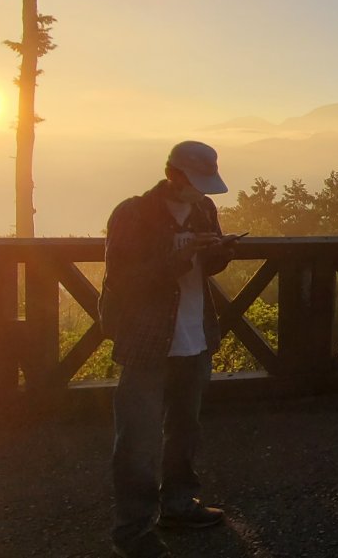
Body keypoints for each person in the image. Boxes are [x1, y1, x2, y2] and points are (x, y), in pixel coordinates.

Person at [100, 141, 234, 558]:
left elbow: (207, 269)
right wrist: (178, 258)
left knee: (184, 430)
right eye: (195, 182)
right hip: (147, 340)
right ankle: (133, 531)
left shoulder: (204, 209)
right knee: (137, 441)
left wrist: (219, 253)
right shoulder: (133, 213)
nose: (201, 192)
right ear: (173, 175)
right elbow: (122, 280)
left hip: (195, 337)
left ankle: (178, 505)